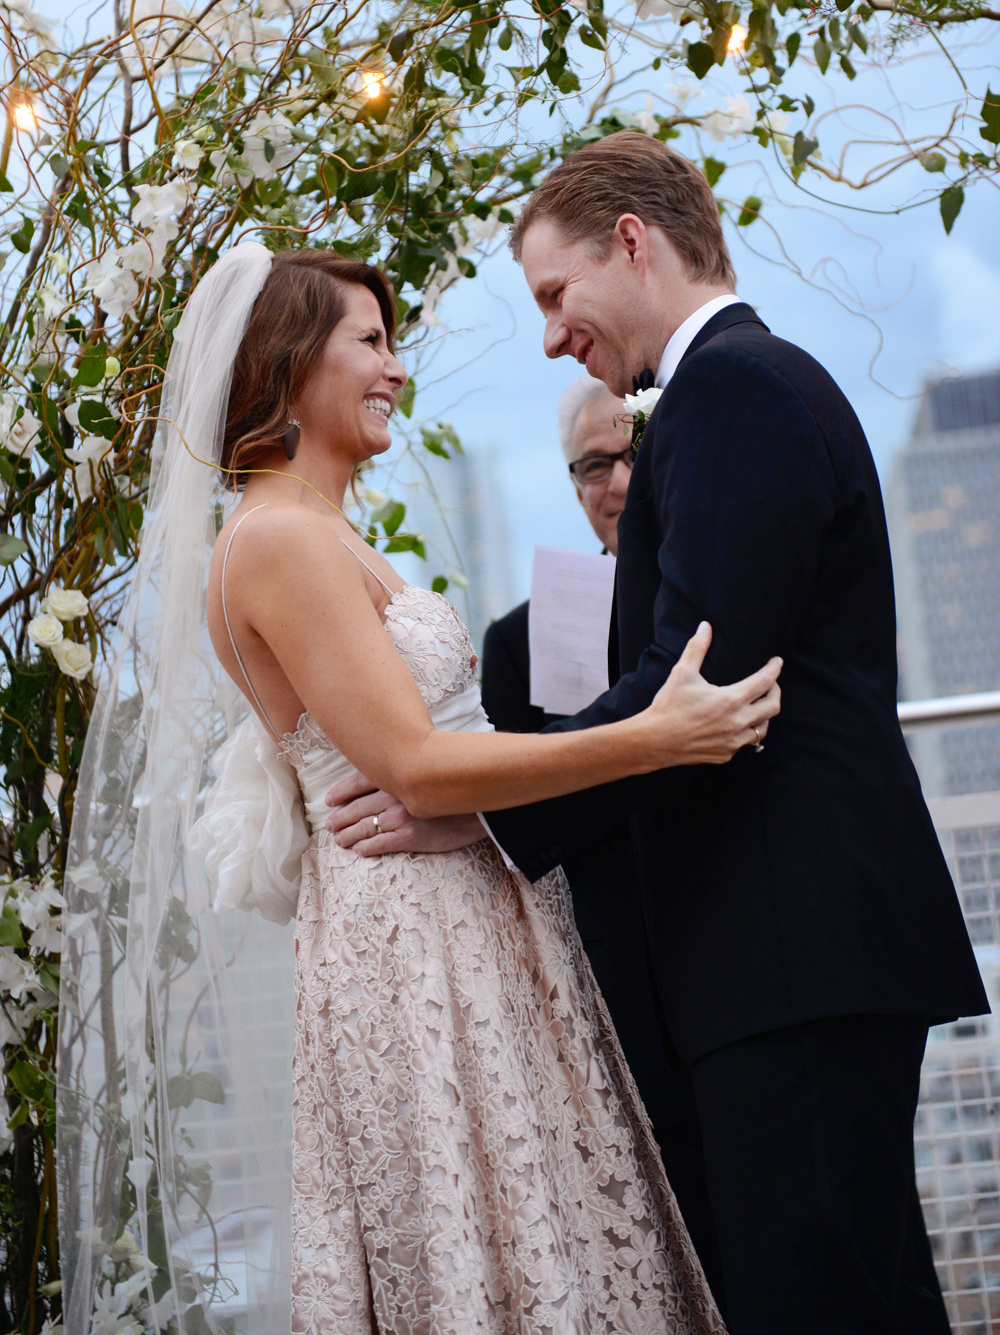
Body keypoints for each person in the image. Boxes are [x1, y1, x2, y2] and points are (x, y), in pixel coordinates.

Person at [327, 135, 989, 1335]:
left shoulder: (731, 390)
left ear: (630, 243)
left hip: (791, 951)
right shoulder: (735, 393)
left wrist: (470, 810)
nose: (549, 337)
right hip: (795, 955)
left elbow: (696, 688)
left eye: (551, 295)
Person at [60, 241, 782, 1335]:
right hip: (410, 943)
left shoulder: (323, 535)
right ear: (290, 360)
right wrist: (654, 736)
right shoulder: (278, 542)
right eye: (370, 341)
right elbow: (414, 764)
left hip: (463, 913)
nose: (396, 369)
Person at [481, 375, 677, 1138]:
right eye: (595, 465)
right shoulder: (517, 641)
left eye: (635, 455)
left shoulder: (716, 587)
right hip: (607, 965)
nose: (619, 483)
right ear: (572, 482)